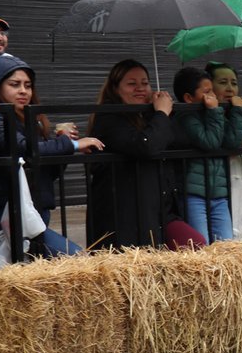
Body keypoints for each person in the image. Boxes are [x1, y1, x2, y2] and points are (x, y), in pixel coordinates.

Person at [0, 55, 102, 258]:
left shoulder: (34, 121)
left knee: (31, 266)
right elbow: (23, 148)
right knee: (75, 257)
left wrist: (62, 146)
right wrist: (71, 145)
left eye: (28, 85)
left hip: (37, 209)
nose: (23, 91)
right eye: (14, 84)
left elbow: (48, 171)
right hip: (7, 211)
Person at [87, 59, 205, 250]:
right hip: (125, 214)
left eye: (145, 83)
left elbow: (180, 139)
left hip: (159, 211)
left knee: (194, 244)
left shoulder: (148, 114)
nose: (140, 88)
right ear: (115, 88)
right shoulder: (108, 117)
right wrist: (161, 114)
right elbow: (146, 145)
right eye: (131, 83)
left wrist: (160, 113)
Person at [174, 66, 242, 243]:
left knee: (226, 244)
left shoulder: (215, 114)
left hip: (219, 195)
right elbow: (211, 142)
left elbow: (232, 142)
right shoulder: (186, 117)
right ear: (188, 98)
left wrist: (237, 112)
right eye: (207, 92)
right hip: (194, 195)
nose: (213, 96)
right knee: (201, 245)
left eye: (212, 91)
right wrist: (214, 112)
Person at [207, 62, 242, 239]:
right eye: (223, 82)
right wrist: (240, 141)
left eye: (234, 83)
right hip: (218, 204)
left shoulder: (236, 121)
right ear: (209, 88)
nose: (230, 89)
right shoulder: (206, 123)